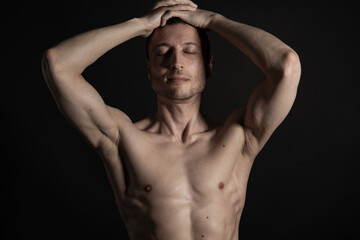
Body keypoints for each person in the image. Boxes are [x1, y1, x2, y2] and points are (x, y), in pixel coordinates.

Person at [41, 0, 301, 239]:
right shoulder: (122, 138)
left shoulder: (238, 135)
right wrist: (141, 25)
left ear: (207, 66)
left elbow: (286, 66)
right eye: (163, 52)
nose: (176, 62)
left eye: (189, 51)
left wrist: (213, 20)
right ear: (149, 69)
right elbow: (57, 64)